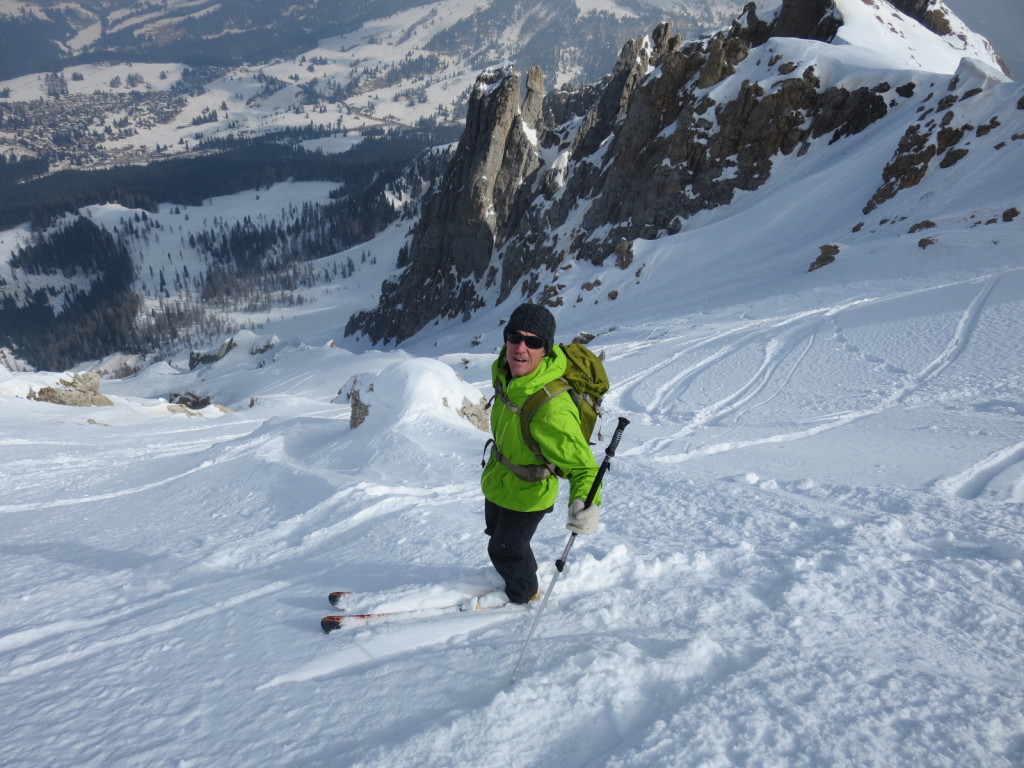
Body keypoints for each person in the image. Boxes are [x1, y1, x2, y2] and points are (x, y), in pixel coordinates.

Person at [480, 302, 601, 604]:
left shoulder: (551, 408)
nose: (521, 347)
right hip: (500, 479)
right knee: (500, 536)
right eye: (514, 336)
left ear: (545, 349)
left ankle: (523, 594)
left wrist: (586, 502)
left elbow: (584, 468)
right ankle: (521, 567)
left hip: (529, 493)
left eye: (533, 341)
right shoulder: (507, 372)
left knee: (503, 549)